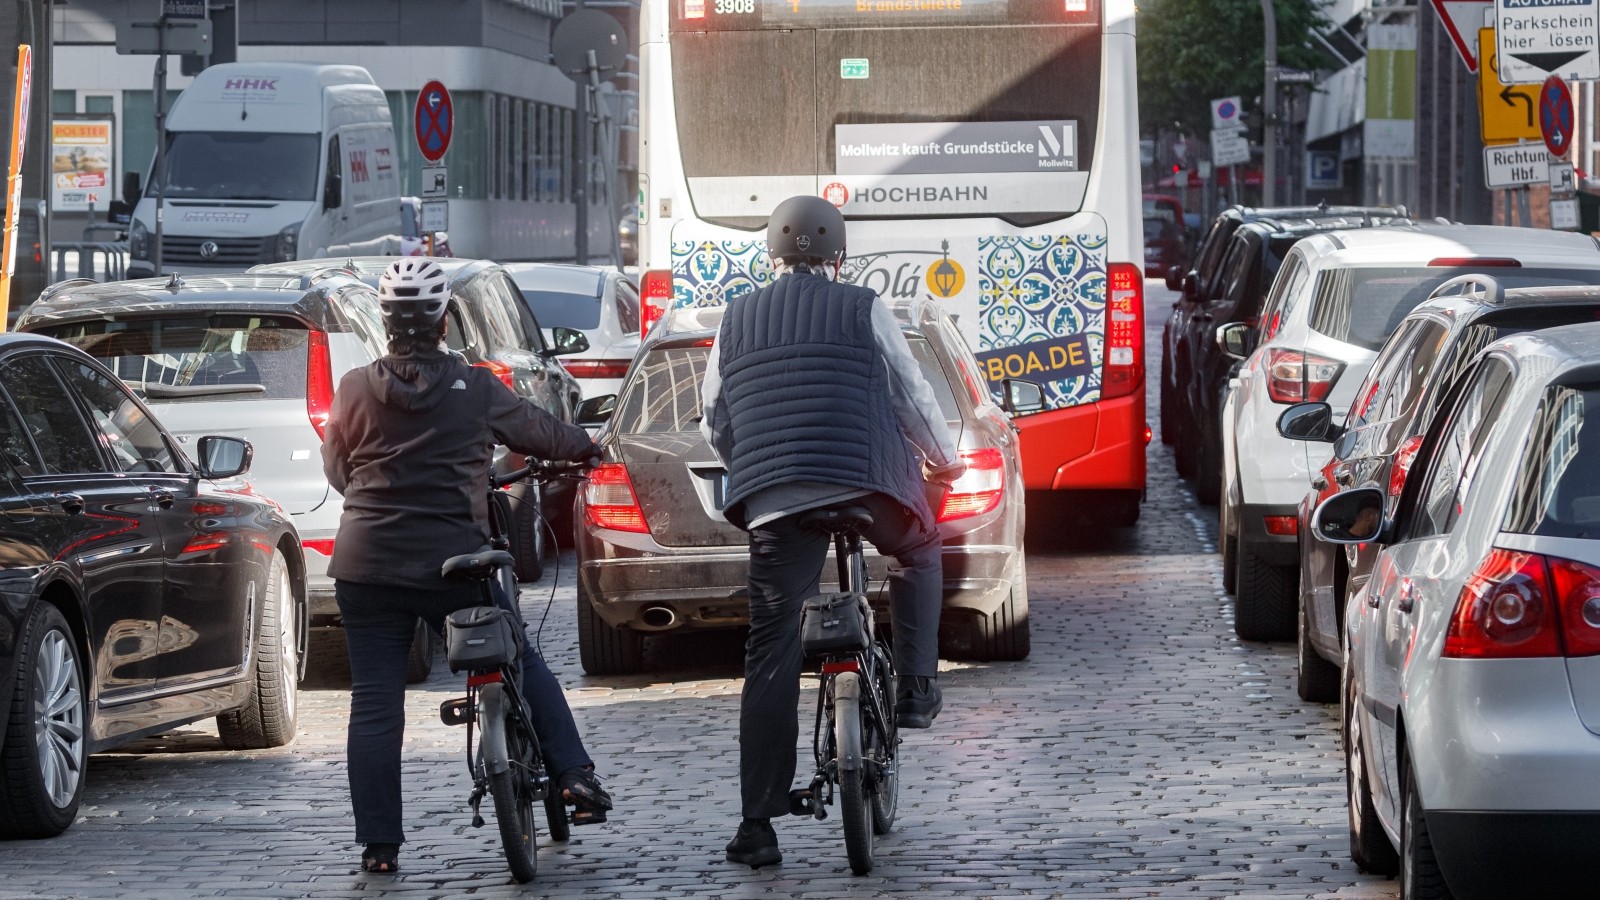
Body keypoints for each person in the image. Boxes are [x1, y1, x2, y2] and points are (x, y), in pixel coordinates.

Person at [321, 258, 613, 874]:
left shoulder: (352, 388)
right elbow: (540, 432)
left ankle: (379, 845)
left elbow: (339, 472)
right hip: (455, 566)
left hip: (366, 567)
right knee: (518, 654)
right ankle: (573, 773)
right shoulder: (475, 388)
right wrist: (587, 447)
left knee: (374, 705)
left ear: (385, 322)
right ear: (444, 322)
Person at [700, 195, 966, 869]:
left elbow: (715, 416)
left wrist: (753, 465)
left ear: (772, 255)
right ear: (838, 257)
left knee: (770, 646)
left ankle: (756, 826)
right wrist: (944, 461)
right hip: (864, 483)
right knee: (919, 547)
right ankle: (916, 686)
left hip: (776, 498)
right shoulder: (863, 306)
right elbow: (909, 393)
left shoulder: (736, 316)